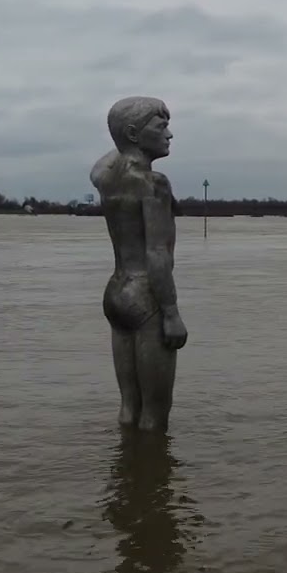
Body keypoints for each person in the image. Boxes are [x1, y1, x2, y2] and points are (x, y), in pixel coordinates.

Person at [90, 96, 189, 432]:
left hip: (117, 292)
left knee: (129, 406)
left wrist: (122, 139)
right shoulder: (154, 183)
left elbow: (100, 165)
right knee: (154, 416)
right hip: (147, 295)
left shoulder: (106, 179)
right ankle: (151, 465)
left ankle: (126, 462)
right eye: (161, 127)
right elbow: (157, 253)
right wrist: (171, 313)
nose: (170, 134)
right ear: (134, 134)